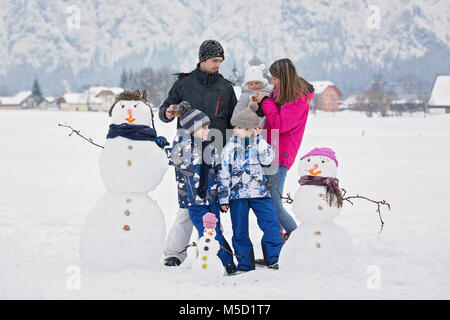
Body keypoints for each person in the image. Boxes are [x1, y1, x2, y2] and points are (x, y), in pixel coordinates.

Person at [159, 39, 237, 266]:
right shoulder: (183, 84)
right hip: (188, 156)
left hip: (216, 153)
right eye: (215, 60)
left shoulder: (226, 87)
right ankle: (175, 253)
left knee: (211, 208)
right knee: (188, 207)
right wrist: (171, 112)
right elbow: (164, 112)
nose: (218, 65)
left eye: (221, 61)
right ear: (203, 59)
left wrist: (230, 151)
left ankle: (211, 254)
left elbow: (232, 122)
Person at [169, 102, 236, 275]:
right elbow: (166, 156)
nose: (208, 131)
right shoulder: (181, 149)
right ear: (191, 130)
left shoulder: (211, 149)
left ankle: (221, 261)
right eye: (204, 128)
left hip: (212, 200)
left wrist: (222, 198)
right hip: (195, 202)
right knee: (208, 232)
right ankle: (225, 262)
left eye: (208, 127)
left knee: (214, 232)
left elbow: (220, 174)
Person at [255, 58, 315, 244]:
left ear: (284, 77)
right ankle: (277, 247)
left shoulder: (298, 97)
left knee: (274, 203)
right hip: (270, 151)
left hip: (280, 155)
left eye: (275, 78)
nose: (273, 82)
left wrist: (265, 101)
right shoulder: (282, 91)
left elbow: (281, 123)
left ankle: (298, 240)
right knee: (269, 203)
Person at [218, 102, 282, 272]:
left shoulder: (260, 145)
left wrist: (259, 140)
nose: (237, 130)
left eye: (241, 127)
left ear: (252, 129)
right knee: (239, 230)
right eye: (236, 126)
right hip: (237, 197)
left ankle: (274, 258)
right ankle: (245, 263)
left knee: (271, 223)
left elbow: (269, 160)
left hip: (260, 193)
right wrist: (223, 198)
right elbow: (224, 174)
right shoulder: (229, 149)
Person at [231, 63, 272, 128]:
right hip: (251, 125)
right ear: (247, 84)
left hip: (268, 123)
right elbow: (239, 107)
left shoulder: (268, 91)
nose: (254, 85)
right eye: (251, 84)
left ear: (262, 82)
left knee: (272, 137)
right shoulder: (246, 94)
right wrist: (234, 121)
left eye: (257, 83)